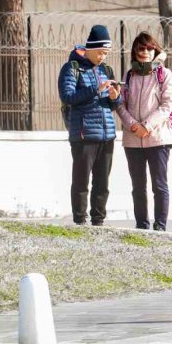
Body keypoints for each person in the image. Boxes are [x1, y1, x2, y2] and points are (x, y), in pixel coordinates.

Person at [57, 24, 122, 226]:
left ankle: (98, 220)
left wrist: (115, 97)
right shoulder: (72, 68)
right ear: (90, 48)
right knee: (81, 181)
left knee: (102, 183)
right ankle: (79, 220)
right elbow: (67, 96)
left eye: (106, 53)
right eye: (101, 52)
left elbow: (112, 105)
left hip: (107, 135)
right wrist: (96, 89)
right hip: (84, 134)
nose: (103, 57)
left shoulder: (105, 70)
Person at [116, 32, 172, 231]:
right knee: (138, 187)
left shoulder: (164, 75)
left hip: (158, 139)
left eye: (149, 48)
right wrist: (133, 125)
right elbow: (120, 105)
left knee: (159, 186)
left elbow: (167, 106)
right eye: (140, 48)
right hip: (132, 141)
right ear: (134, 51)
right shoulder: (128, 75)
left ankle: (160, 226)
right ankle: (142, 225)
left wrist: (147, 126)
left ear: (155, 50)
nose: (144, 52)